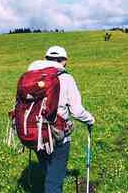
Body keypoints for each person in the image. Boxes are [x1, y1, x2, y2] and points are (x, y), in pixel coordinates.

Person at [28, 46, 95, 193]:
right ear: (64, 61)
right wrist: (91, 120)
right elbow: (77, 111)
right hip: (57, 135)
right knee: (54, 182)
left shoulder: (31, 74)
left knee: (49, 171)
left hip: (34, 132)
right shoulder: (66, 78)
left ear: (45, 58)